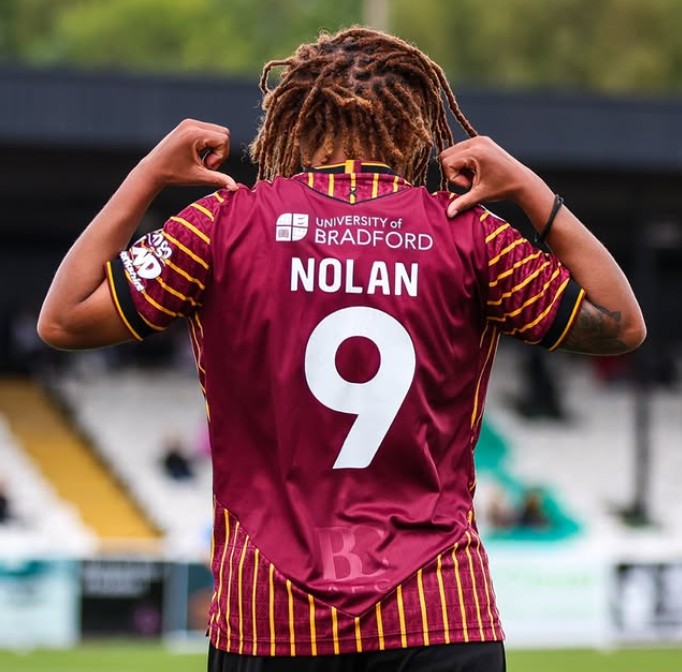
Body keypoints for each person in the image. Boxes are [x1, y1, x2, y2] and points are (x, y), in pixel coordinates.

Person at [37, 27, 645, 672]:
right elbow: (620, 323)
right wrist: (528, 188)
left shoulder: (222, 223)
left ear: (294, 124)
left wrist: (149, 175)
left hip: (270, 618)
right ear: (413, 127)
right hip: (437, 612)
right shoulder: (469, 232)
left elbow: (64, 319)